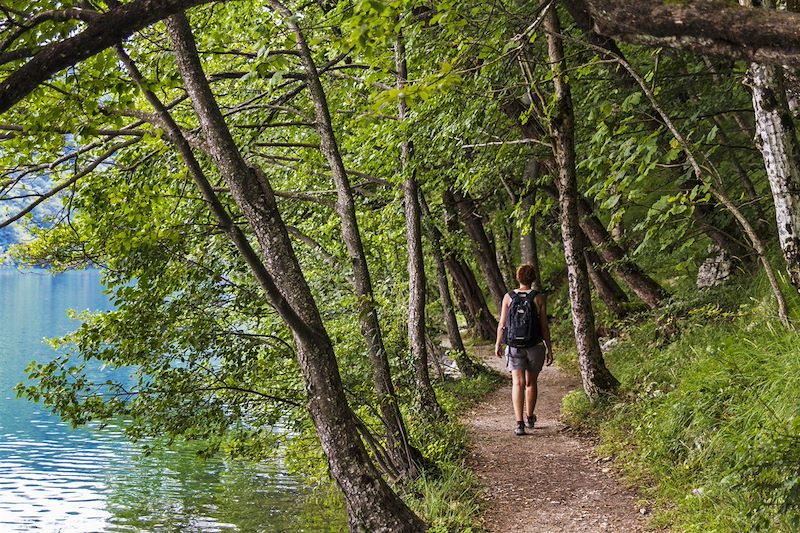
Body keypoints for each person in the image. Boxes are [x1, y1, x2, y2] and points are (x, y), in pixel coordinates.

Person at [495, 264, 553, 436]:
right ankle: (529, 417)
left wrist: (498, 343)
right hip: (534, 345)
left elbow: (502, 324)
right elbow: (544, 326)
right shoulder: (538, 298)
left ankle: (519, 423)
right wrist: (549, 348)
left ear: (517, 278)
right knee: (530, 383)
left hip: (514, 346)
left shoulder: (508, 297)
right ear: (533, 278)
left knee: (517, 383)